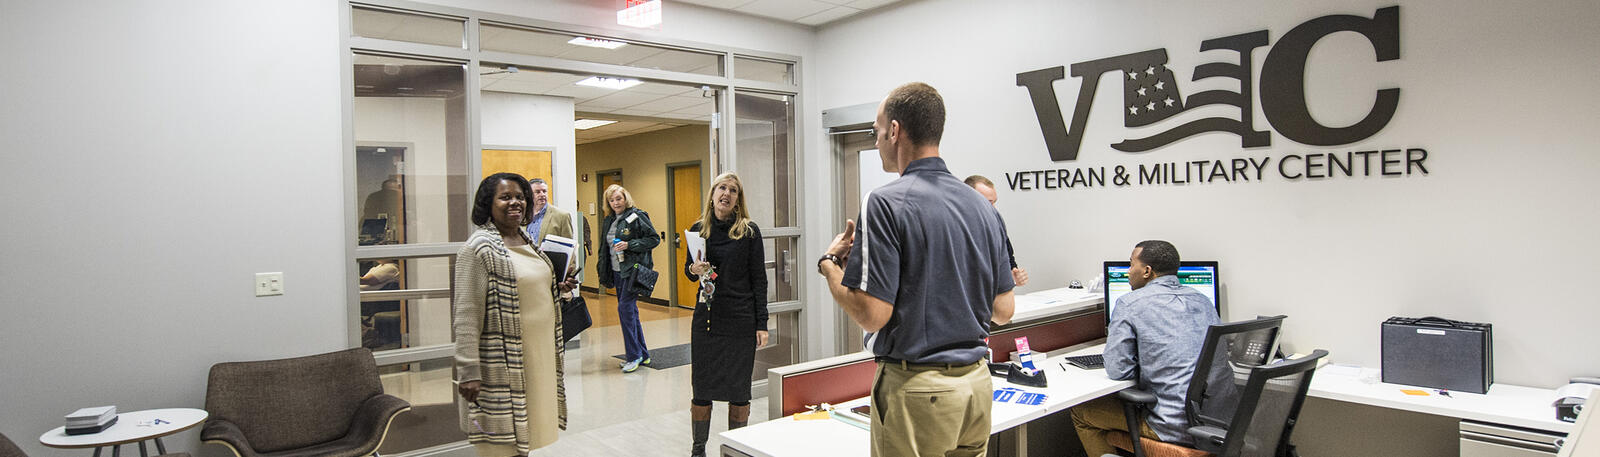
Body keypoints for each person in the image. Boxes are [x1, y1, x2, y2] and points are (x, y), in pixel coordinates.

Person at [816, 82, 1016, 457]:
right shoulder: (982, 207)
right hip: (976, 387)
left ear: (895, 131)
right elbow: (1003, 311)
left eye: (876, 131)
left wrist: (829, 266)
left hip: (919, 392)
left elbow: (873, 315)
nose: (875, 141)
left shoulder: (885, 202)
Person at [453, 172, 578, 456]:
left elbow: (525, 288)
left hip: (536, 359)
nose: (515, 203)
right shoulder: (478, 248)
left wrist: (556, 288)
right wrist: (469, 371)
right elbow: (466, 315)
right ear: (488, 203)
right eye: (505, 197)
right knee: (499, 443)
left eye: (520, 197)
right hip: (500, 362)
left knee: (525, 434)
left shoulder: (525, 240)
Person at [1069, 240, 1220, 456]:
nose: (1128, 272)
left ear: (1147, 271)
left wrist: (1145, 362)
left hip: (1169, 426)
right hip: (1211, 424)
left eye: (1131, 265)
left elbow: (1118, 370)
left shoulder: (1129, 303)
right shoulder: (1203, 301)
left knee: (1081, 413)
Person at [681, 173, 769, 457]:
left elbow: (759, 280)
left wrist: (762, 323)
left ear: (738, 200)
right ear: (713, 193)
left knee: (738, 391)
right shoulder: (698, 229)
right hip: (706, 319)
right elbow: (690, 270)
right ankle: (698, 450)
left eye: (733, 190)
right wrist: (693, 271)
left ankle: (735, 448)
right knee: (702, 388)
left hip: (740, 320)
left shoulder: (749, 232)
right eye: (722, 188)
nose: (726, 194)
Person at [596, 183, 661, 373]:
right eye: (612, 200)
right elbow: (604, 248)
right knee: (630, 310)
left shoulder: (637, 216)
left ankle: (633, 356)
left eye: (619, 198)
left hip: (632, 270)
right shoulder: (609, 220)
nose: (616, 203)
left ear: (626, 199)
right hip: (616, 272)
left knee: (624, 308)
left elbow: (653, 239)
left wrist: (629, 244)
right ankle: (643, 354)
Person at [963, 175, 1029, 287]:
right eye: (988, 203)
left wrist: (1013, 278)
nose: (993, 208)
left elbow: (1009, 263)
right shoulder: (955, 231)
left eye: (994, 202)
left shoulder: (997, 227)